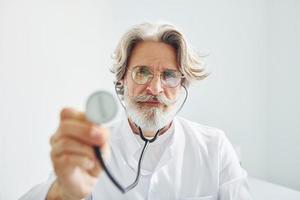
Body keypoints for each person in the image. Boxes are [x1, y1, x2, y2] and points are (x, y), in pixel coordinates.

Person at [20, 22, 252, 200]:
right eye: (141, 72)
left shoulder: (215, 147)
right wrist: (62, 192)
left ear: (182, 85)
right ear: (122, 80)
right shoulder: (91, 149)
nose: (155, 88)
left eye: (169, 75)